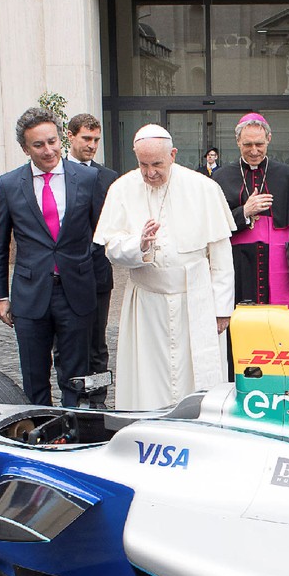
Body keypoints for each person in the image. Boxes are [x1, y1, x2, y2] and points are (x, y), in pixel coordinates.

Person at [93, 125, 235, 411]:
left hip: (196, 301)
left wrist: (222, 309)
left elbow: (220, 257)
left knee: (199, 379)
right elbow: (111, 249)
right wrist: (139, 245)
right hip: (147, 303)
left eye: (157, 164)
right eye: (143, 165)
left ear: (172, 155)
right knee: (148, 379)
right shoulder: (122, 188)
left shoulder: (204, 188)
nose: (150, 173)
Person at [0, 108, 104, 407]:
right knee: (34, 373)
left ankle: (73, 429)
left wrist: (82, 266)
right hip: (30, 294)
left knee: (76, 374)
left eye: (52, 141)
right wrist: (0, 295)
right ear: (25, 148)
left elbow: (100, 233)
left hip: (75, 292)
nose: (48, 150)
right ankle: (39, 429)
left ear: (61, 139)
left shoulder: (88, 178)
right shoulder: (10, 184)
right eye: (38, 145)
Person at [211, 113, 289, 310]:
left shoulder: (287, 176)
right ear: (238, 141)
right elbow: (212, 230)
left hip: (280, 266)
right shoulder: (221, 178)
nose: (254, 150)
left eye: (259, 144)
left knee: (280, 330)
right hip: (238, 266)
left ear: (269, 139)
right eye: (248, 145)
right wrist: (244, 212)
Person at [66, 112, 119, 407]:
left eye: (96, 140)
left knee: (98, 343)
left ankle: (98, 399)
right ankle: (72, 398)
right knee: (70, 342)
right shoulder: (57, 173)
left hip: (98, 272)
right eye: (86, 138)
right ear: (70, 136)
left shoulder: (108, 177)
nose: (92, 145)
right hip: (63, 273)